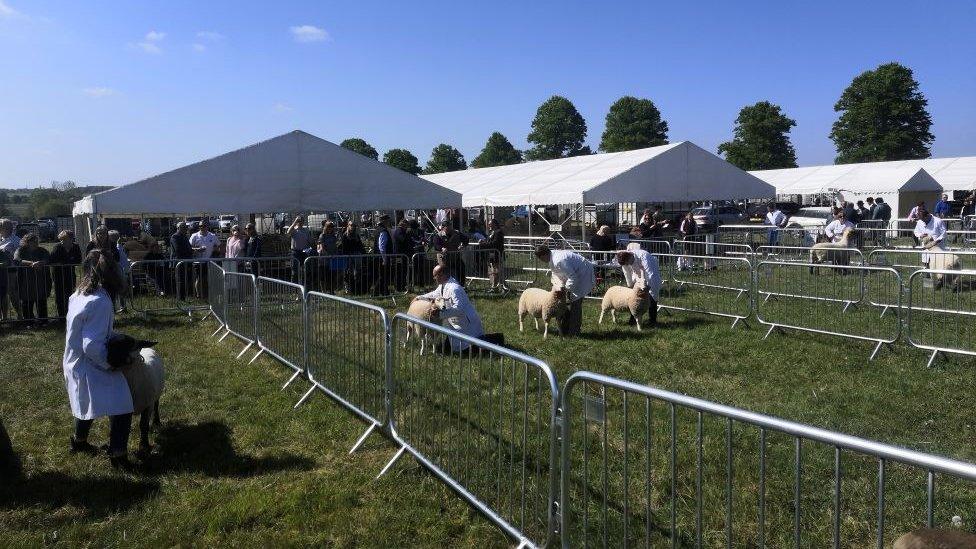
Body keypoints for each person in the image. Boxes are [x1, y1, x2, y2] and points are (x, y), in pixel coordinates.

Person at [63, 249, 135, 469]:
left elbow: (88, 332)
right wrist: (113, 364)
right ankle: (118, 455)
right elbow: (92, 345)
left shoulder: (78, 294)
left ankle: (80, 441)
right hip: (91, 363)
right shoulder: (100, 301)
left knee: (85, 401)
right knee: (122, 405)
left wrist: (117, 336)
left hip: (75, 361)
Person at [414, 264, 502, 352]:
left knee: (471, 349)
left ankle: (496, 338)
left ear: (441, 275)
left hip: (466, 324)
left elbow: (459, 309)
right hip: (456, 325)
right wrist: (419, 297)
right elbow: (434, 294)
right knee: (446, 349)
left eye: (435, 276)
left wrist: (440, 314)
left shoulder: (455, 288)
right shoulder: (443, 286)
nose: (434, 279)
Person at [534, 245, 595, 336]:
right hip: (574, 276)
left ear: (543, 256)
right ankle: (565, 328)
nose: (541, 261)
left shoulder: (559, 260)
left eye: (540, 258)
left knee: (575, 304)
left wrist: (565, 289)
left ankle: (574, 333)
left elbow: (573, 277)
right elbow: (556, 273)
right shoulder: (552, 257)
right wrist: (559, 286)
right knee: (564, 305)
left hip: (582, 275)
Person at [616, 249, 661, 328]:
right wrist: (632, 284)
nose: (627, 264)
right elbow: (631, 272)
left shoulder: (644, 256)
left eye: (627, 262)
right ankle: (633, 320)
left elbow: (649, 273)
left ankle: (652, 321)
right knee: (634, 300)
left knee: (651, 299)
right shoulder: (627, 257)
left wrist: (646, 287)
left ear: (629, 257)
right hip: (639, 279)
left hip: (651, 278)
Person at [13, 233, 51, 323]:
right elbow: (17, 259)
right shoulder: (20, 250)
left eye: (36, 241)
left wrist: (40, 263)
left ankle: (43, 321)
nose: (35, 243)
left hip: (41, 279)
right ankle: (28, 321)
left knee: (41, 299)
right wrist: (31, 263)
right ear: (27, 242)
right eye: (32, 241)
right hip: (25, 280)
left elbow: (47, 259)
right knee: (26, 301)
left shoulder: (42, 250)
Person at [50, 230, 83, 318]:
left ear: (71, 239)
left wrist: (65, 263)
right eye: (61, 239)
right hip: (58, 274)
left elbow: (78, 259)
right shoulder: (57, 247)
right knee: (60, 295)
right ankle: (61, 316)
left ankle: (70, 313)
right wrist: (67, 262)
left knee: (71, 294)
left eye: (65, 239)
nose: (62, 241)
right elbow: (52, 260)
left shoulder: (76, 247)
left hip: (70, 273)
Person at [189, 220, 219, 298]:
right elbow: (189, 248)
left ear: (207, 226)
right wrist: (198, 249)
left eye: (204, 226)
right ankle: (199, 295)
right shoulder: (194, 236)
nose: (202, 227)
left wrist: (215, 250)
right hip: (197, 262)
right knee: (199, 279)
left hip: (209, 261)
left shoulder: (212, 235)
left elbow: (219, 245)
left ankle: (208, 294)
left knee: (208, 278)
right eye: (200, 226)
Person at [432, 221, 465, 286]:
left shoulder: (457, 233)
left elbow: (465, 239)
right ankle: (442, 286)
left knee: (461, 267)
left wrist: (463, 245)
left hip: (455, 256)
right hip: (443, 257)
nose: (449, 230)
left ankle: (461, 286)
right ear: (443, 228)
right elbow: (436, 245)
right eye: (447, 228)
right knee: (443, 272)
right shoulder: (438, 235)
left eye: (450, 227)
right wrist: (441, 248)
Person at [478, 218, 506, 292]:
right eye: (488, 224)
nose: (489, 225)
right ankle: (494, 287)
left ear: (494, 224)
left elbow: (495, 244)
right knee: (493, 271)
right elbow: (491, 241)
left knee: (496, 271)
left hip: (497, 254)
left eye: (490, 224)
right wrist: (484, 241)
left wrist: (483, 244)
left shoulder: (498, 232)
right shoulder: (493, 232)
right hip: (492, 254)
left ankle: (498, 287)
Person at [1, 218, 21, 320]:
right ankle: (4, 317)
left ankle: (20, 315)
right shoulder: (1, 239)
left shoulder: (16, 240)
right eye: (2, 227)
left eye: (2, 227)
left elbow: (19, 255)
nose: (1, 230)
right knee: (3, 294)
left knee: (12, 293)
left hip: (11, 271)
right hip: (1, 271)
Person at [109, 230, 131, 312]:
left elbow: (120, 260)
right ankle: (120, 307)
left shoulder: (118, 248)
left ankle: (121, 307)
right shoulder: (119, 247)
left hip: (120, 271)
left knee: (119, 290)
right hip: (120, 271)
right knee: (118, 290)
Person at [286, 215, 313, 284]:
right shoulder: (294, 230)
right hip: (295, 252)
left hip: (304, 251)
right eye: (299, 221)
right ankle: (294, 287)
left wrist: (309, 249)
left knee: (306, 270)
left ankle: (306, 285)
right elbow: (288, 232)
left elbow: (310, 242)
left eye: (302, 221)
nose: (300, 222)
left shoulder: (306, 231)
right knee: (295, 271)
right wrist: (295, 222)